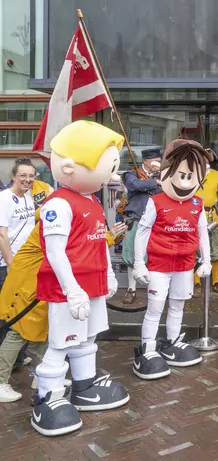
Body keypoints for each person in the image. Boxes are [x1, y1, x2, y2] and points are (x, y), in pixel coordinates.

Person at [33, 120, 129, 436]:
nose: (113, 174)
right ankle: (47, 396)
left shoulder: (91, 200)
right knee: (62, 342)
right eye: (109, 165)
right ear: (73, 166)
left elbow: (99, 241)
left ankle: (84, 385)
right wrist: (72, 290)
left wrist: (110, 274)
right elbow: (56, 252)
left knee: (88, 337)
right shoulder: (59, 203)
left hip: (93, 283)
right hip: (68, 289)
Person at [0, 217, 126, 403]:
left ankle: (42, 376)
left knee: (48, 331)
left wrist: (108, 237)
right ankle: (1, 381)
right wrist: (107, 237)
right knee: (18, 333)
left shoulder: (65, 219)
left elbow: (80, 244)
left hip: (45, 285)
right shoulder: (54, 220)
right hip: (28, 286)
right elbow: (73, 249)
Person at [132, 140, 212, 379]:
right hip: (159, 264)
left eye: (190, 175)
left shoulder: (198, 203)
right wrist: (139, 262)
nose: (184, 182)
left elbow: (202, 232)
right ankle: (148, 347)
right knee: (155, 308)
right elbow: (143, 231)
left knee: (178, 305)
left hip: (185, 264)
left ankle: (172, 340)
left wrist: (206, 260)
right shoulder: (156, 201)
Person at [121, 148, 162, 304]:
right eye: (155, 161)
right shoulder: (131, 174)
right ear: (146, 161)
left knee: (154, 256)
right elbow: (135, 185)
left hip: (156, 222)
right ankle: (131, 290)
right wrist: (155, 182)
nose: (158, 164)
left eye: (159, 161)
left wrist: (159, 180)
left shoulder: (162, 176)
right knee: (133, 255)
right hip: (137, 220)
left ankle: (153, 289)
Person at [0, 158, 48, 288]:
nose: (28, 179)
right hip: (6, 265)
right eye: (23, 175)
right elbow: (2, 235)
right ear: (13, 176)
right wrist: (10, 264)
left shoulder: (28, 199)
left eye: (31, 176)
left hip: (25, 262)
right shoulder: (4, 198)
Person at [194, 149, 218, 295]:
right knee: (195, 251)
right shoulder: (190, 174)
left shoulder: (216, 176)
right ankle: (196, 284)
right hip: (193, 216)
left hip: (212, 217)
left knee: (217, 250)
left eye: (207, 158)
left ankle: (216, 282)